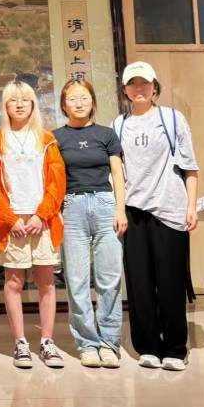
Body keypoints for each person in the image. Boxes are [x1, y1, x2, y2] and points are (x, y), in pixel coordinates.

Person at [114, 61, 199, 372]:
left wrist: (191, 206)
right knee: (139, 283)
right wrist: (119, 209)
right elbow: (117, 173)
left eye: (144, 83)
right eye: (133, 84)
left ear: (154, 87)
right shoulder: (118, 125)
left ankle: (175, 348)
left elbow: (191, 167)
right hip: (134, 212)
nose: (139, 89)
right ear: (125, 90)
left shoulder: (172, 119)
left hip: (170, 210)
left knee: (171, 282)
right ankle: (148, 346)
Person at [0, 81, 67, 370]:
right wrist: (10, 219)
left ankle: (47, 341)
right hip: (11, 222)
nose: (19, 104)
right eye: (13, 100)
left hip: (42, 220)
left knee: (46, 281)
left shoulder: (46, 139)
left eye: (25, 99)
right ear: (5, 106)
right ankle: (20, 342)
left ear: (33, 104)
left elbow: (57, 182)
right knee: (13, 282)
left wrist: (41, 215)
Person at [53, 79, 126, 369]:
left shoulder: (106, 134)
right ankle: (87, 344)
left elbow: (118, 174)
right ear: (64, 105)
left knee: (109, 278)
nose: (79, 103)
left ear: (93, 101)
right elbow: (53, 179)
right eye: (72, 98)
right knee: (77, 280)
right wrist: (57, 212)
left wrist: (120, 210)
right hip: (72, 207)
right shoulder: (56, 137)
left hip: (106, 205)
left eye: (84, 97)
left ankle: (109, 343)